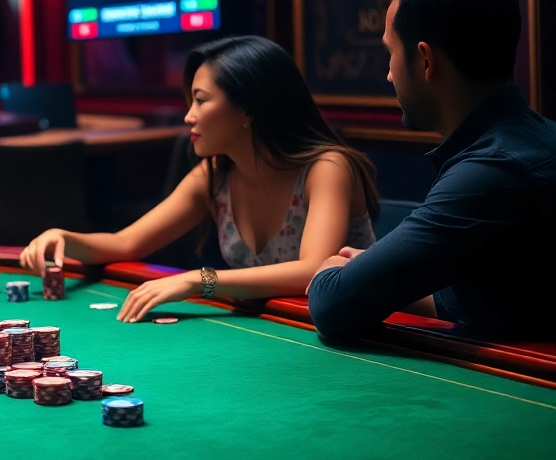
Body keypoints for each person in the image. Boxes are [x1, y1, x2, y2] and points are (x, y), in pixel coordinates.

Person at [20, 35, 379, 322]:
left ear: (249, 109)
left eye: (201, 100)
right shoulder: (214, 176)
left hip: (355, 335)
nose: (188, 116)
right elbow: (125, 242)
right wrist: (62, 238)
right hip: (271, 329)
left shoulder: (327, 168)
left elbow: (315, 270)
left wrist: (198, 280)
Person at [308, 0, 556, 340]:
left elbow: (332, 304)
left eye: (390, 53)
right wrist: (372, 276)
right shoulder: (533, 141)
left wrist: (334, 273)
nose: (389, 74)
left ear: (425, 60)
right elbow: (492, 299)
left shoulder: (491, 172)